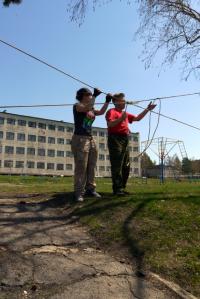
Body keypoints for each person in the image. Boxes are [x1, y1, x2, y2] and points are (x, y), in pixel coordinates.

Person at [105, 93, 156, 195]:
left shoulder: (125, 113)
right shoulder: (112, 111)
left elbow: (137, 118)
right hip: (115, 138)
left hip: (125, 139)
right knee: (117, 164)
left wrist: (147, 109)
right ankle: (117, 189)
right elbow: (110, 124)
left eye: (124, 100)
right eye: (122, 100)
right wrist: (120, 119)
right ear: (115, 102)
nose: (124, 102)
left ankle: (122, 188)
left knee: (126, 165)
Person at [71, 87, 112, 202]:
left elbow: (101, 112)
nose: (90, 96)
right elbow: (86, 108)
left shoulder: (91, 108)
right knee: (81, 166)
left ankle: (90, 189)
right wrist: (95, 96)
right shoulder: (77, 106)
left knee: (92, 165)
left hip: (90, 138)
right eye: (89, 94)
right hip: (80, 139)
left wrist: (107, 101)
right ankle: (79, 192)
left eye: (91, 94)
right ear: (83, 96)